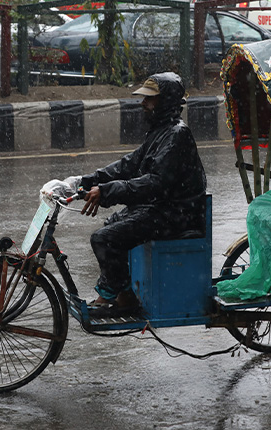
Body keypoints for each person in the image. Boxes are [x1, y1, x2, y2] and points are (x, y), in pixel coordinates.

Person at [79, 72, 207, 317]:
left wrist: (108, 191)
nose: (143, 104)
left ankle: (117, 296)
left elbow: (155, 183)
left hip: (177, 213)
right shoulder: (161, 131)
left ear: (166, 101)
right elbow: (129, 164)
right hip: (161, 207)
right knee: (112, 225)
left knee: (104, 239)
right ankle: (124, 293)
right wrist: (87, 181)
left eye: (150, 100)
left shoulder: (177, 135)